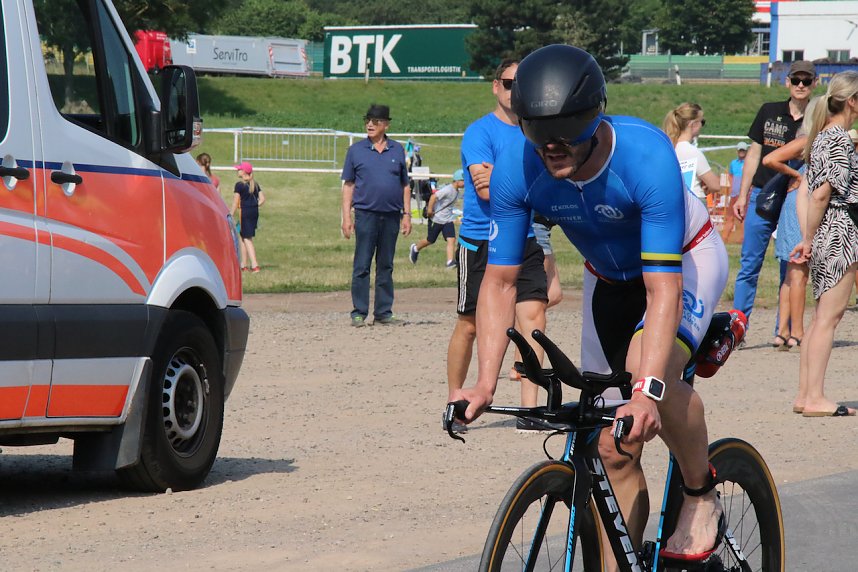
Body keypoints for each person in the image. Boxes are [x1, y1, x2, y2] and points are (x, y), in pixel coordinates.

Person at [450, 45, 729, 566]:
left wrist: (646, 393)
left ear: (594, 119)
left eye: (567, 133)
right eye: (539, 134)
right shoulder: (516, 167)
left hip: (685, 262)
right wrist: (484, 382)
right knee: (610, 447)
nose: (552, 148)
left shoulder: (644, 155)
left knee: (647, 374)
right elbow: (500, 282)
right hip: (607, 278)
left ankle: (700, 492)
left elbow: (662, 289)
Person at [448, 59, 549, 432]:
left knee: (533, 320)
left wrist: (510, 179)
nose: (514, 90)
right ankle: (456, 400)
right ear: (495, 86)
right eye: (508, 83)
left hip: (524, 237)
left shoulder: (534, 132)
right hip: (480, 240)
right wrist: (530, 182)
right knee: (470, 325)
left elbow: (552, 184)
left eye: (521, 84)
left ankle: (529, 409)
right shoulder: (480, 133)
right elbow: (487, 191)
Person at [789, 71, 858, 417]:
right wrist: (807, 237)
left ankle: (806, 395)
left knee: (820, 319)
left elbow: (809, 192)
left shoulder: (822, 137)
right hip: (839, 230)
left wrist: (809, 236)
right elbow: (820, 195)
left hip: (827, 230)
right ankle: (815, 397)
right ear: (852, 102)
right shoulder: (840, 140)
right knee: (829, 318)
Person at [732, 61, 817, 331]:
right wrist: (742, 195)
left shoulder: (817, 117)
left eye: (806, 80)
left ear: (814, 84)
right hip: (762, 193)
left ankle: (784, 330)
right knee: (749, 264)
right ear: (787, 82)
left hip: (793, 199)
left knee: (789, 265)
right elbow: (754, 154)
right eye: (796, 80)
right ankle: (737, 328)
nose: (800, 85)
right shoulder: (769, 111)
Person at [341, 104, 412, 327]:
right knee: (362, 265)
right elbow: (349, 185)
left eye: (375, 121)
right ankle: (359, 312)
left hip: (391, 215)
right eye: (368, 121)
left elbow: (405, 185)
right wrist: (346, 217)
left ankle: (383, 312)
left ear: (386, 125)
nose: (370, 125)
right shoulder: (356, 150)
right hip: (366, 214)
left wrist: (407, 214)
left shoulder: (397, 150)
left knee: (386, 265)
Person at [762, 96, 822, 351]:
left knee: (790, 274)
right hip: (799, 206)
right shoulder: (807, 140)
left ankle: (783, 331)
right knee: (798, 273)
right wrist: (796, 174)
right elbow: (770, 159)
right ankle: (797, 331)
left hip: (796, 204)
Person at [662, 102, 721, 204]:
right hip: (695, 202)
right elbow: (715, 185)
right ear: (693, 124)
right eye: (702, 122)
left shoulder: (667, 149)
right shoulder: (693, 152)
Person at [409, 169, 464, 268]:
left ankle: (450, 262)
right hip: (437, 219)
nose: (465, 183)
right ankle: (415, 248)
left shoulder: (456, 191)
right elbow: (434, 197)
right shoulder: (448, 190)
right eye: (463, 181)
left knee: (451, 239)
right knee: (430, 240)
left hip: (447, 219)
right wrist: (430, 210)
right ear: (457, 180)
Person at [229, 161, 265, 273]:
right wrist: (254, 205)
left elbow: (235, 202)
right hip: (253, 212)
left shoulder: (239, 185)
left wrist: (230, 214)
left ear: (244, 172)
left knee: (247, 239)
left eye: (239, 169)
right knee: (242, 236)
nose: (237, 171)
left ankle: (255, 265)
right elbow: (262, 199)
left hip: (244, 213)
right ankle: (243, 265)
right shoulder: (255, 184)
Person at [722, 141, 748, 243]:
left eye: (743, 150)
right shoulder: (733, 163)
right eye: (740, 150)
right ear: (737, 151)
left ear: (746, 151)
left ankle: (743, 238)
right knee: (730, 216)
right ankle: (724, 237)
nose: (741, 152)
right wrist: (731, 187)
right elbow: (730, 176)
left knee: (743, 217)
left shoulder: (748, 163)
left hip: (744, 195)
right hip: (734, 194)